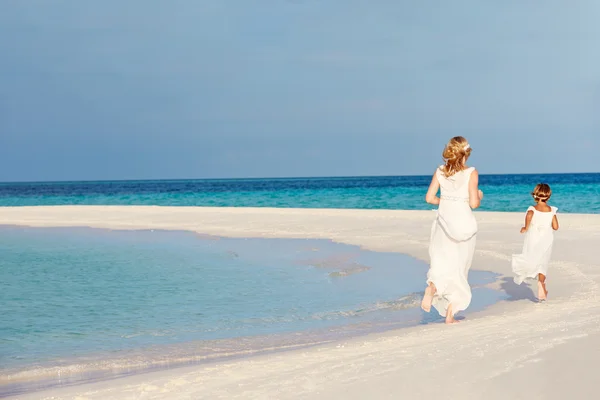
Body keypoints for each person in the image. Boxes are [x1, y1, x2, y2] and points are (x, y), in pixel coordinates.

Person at [421, 136, 483, 324]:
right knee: (459, 267)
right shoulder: (471, 172)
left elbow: (430, 198)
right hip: (463, 224)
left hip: (444, 222)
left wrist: (446, 202)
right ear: (466, 154)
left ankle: (433, 287)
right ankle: (450, 313)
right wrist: (480, 195)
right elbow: (473, 203)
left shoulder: (440, 171)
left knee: (442, 261)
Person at [511, 183, 559, 301]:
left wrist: (525, 228)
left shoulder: (532, 209)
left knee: (532, 257)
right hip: (547, 238)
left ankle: (531, 271)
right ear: (548, 196)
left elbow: (529, 215)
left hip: (534, 238)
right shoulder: (551, 210)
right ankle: (541, 283)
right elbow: (556, 227)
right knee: (543, 262)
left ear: (535, 196)